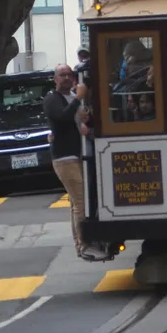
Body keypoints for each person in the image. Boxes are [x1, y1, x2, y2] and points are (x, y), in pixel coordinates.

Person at [43, 65, 107, 261]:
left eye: (69, 74)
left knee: (76, 202)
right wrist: (79, 97)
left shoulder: (73, 97)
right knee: (80, 201)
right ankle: (84, 245)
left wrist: (86, 119)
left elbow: (82, 121)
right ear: (55, 79)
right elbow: (61, 117)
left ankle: (81, 243)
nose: (66, 77)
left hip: (80, 154)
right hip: (64, 157)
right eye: (62, 75)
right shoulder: (52, 98)